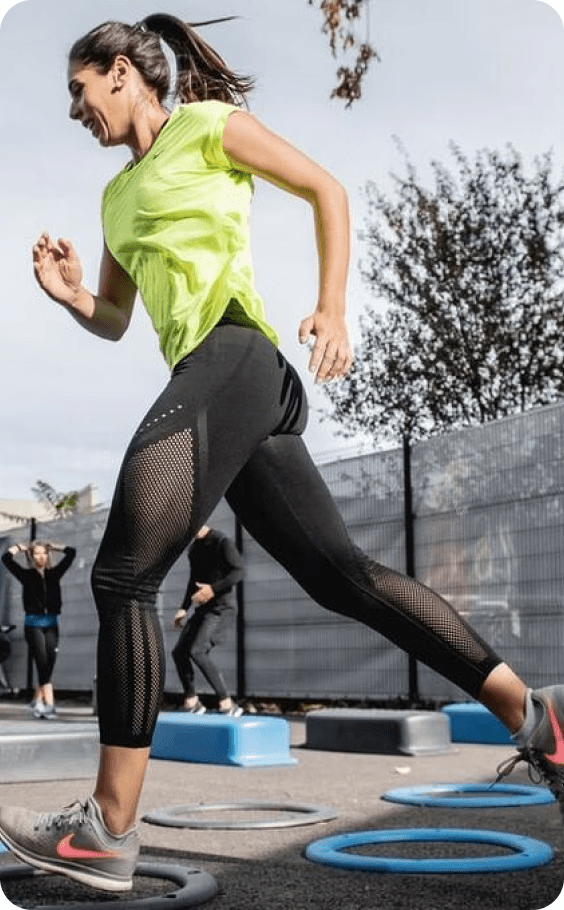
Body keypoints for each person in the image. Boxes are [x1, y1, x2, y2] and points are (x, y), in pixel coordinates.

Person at [0, 12, 562, 893]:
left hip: (236, 354)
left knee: (122, 577)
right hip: (219, 385)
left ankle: (107, 828)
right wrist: (71, 294)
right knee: (343, 578)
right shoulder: (114, 200)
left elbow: (325, 190)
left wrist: (332, 308)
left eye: (80, 89)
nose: (76, 109)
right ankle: (537, 719)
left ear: (121, 71)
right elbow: (115, 320)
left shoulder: (206, 125)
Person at [172, 525, 244, 716]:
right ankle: (192, 701)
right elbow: (193, 581)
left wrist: (213, 589)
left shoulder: (222, 542)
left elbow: (238, 572)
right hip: (203, 609)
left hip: (221, 609)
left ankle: (227, 703)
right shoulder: (194, 549)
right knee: (179, 652)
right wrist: (183, 608)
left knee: (197, 650)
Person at [1, 540, 76, 718]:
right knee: (42, 663)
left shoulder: (55, 573)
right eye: (37, 553)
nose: (41, 556)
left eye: (44, 553)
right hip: (33, 625)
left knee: (49, 663)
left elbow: (71, 552)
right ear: (31, 557)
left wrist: (54, 546)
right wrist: (20, 548)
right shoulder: (25, 575)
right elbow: (6, 558)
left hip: (51, 624)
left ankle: (36, 700)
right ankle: (49, 705)